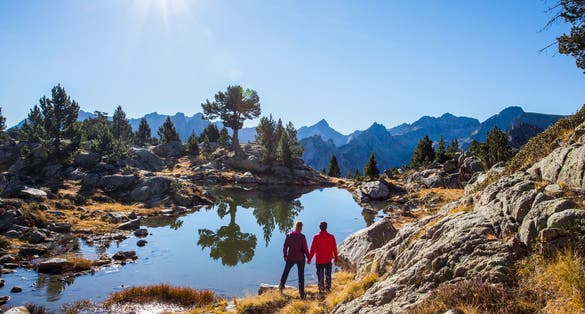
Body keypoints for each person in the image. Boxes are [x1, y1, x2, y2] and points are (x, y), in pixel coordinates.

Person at [279, 221, 309, 299]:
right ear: (300, 228)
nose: (301, 229)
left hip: (291, 258)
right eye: (301, 228)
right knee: (301, 276)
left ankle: (281, 286)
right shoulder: (302, 237)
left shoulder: (289, 236)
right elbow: (305, 248)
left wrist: (285, 255)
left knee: (286, 272)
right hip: (300, 259)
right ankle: (302, 294)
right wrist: (308, 257)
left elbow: (285, 247)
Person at [307, 221, 338, 295]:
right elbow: (335, 249)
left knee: (320, 277)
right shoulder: (331, 237)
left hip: (319, 261)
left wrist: (309, 259)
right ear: (326, 227)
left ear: (319, 228)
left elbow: (312, 249)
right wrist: (336, 259)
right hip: (328, 260)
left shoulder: (316, 237)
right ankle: (328, 289)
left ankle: (321, 290)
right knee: (328, 276)